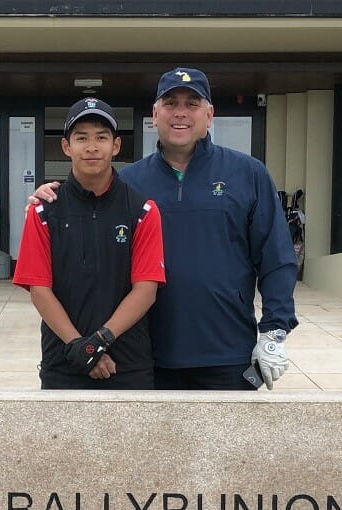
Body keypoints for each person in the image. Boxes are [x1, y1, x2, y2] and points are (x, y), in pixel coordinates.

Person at [31, 68, 298, 390]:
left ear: (209, 115)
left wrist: (275, 330)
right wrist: (49, 197)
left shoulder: (247, 173)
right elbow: (85, 202)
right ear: (155, 115)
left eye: (192, 103)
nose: (181, 113)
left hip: (226, 349)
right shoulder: (131, 182)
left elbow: (277, 257)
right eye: (171, 103)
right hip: (145, 353)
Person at [13, 97, 166, 389]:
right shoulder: (44, 210)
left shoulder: (142, 210)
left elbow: (146, 290)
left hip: (128, 365)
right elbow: (39, 289)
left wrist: (97, 343)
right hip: (63, 363)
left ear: (116, 145)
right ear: (66, 147)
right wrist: (77, 346)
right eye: (81, 137)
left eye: (101, 137)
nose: (92, 146)